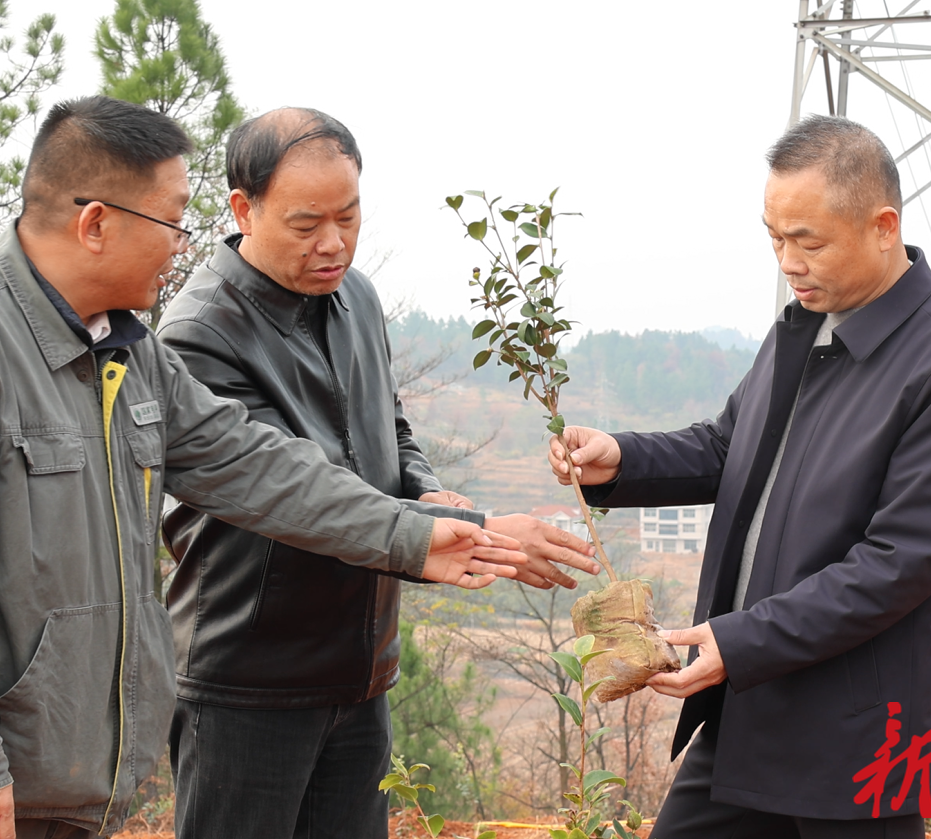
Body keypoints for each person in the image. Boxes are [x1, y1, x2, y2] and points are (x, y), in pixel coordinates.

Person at [0, 95, 528, 839]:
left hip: (65, 786)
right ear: (94, 222)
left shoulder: (128, 352)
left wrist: (416, 534)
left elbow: (258, 466)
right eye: (170, 221)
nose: (184, 246)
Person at [549, 115, 931, 838]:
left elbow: (898, 565)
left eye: (809, 242)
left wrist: (739, 641)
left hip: (862, 740)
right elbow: (730, 446)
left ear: (883, 225)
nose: (788, 262)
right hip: (753, 708)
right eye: (775, 238)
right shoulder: (804, 326)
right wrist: (624, 458)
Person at [156, 107, 600, 839]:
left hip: (360, 672)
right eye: (306, 225)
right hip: (249, 679)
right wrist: (470, 532)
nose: (333, 244)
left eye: (349, 216)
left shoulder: (352, 295)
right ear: (244, 207)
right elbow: (299, 494)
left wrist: (424, 487)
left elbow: (385, 424)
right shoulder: (201, 333)